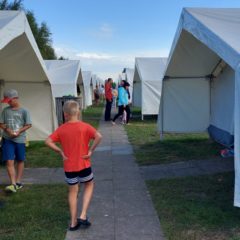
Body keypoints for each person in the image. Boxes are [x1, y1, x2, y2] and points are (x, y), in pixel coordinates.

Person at [45, 100, 102, 231]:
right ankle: (82, 215)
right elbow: (99, 136)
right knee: (89, 184)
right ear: (78, 112)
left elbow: (47, 141)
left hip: (69, 167)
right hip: (84, 164)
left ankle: (73, 223)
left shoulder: (61, 129)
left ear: (65, 114)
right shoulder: (85, 126)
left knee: (73, 191)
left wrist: (60, 151)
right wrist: (91, 151)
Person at [0, 89, 32, 193]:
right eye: (7, 101)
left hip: (20, 139)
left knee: (20, 160)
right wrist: (7, 129)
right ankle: (13, 184)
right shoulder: (5, 111)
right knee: (9, 160)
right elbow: (1, 123)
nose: (8, 103)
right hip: (7, 139)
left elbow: (28, 124)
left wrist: (19, 131)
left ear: (15, 98)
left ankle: (18, 182)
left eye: (10, 100)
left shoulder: (24, 111)